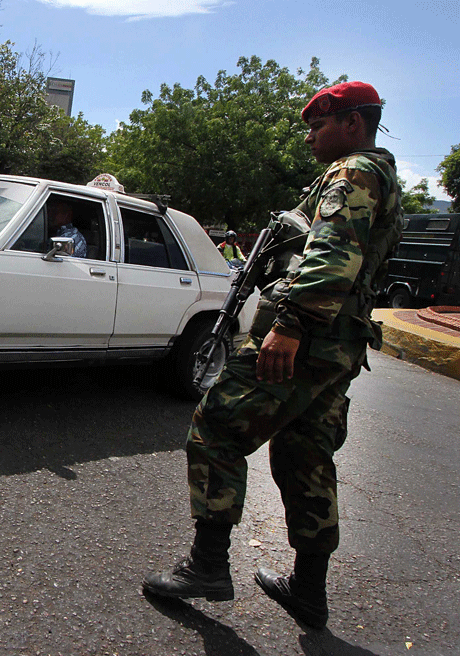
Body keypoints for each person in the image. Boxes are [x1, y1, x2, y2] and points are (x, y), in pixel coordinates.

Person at [141, 81, 404, 630]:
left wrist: (290, 325)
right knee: (305, 458)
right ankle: (308, 592)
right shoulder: (382, 176)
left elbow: (333, 257)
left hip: (307, 336)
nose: (310, 137)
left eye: (318, 126)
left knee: (216, 425)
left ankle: (208, 566)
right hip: (341, 344)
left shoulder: (352, 172)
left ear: (351, 123)